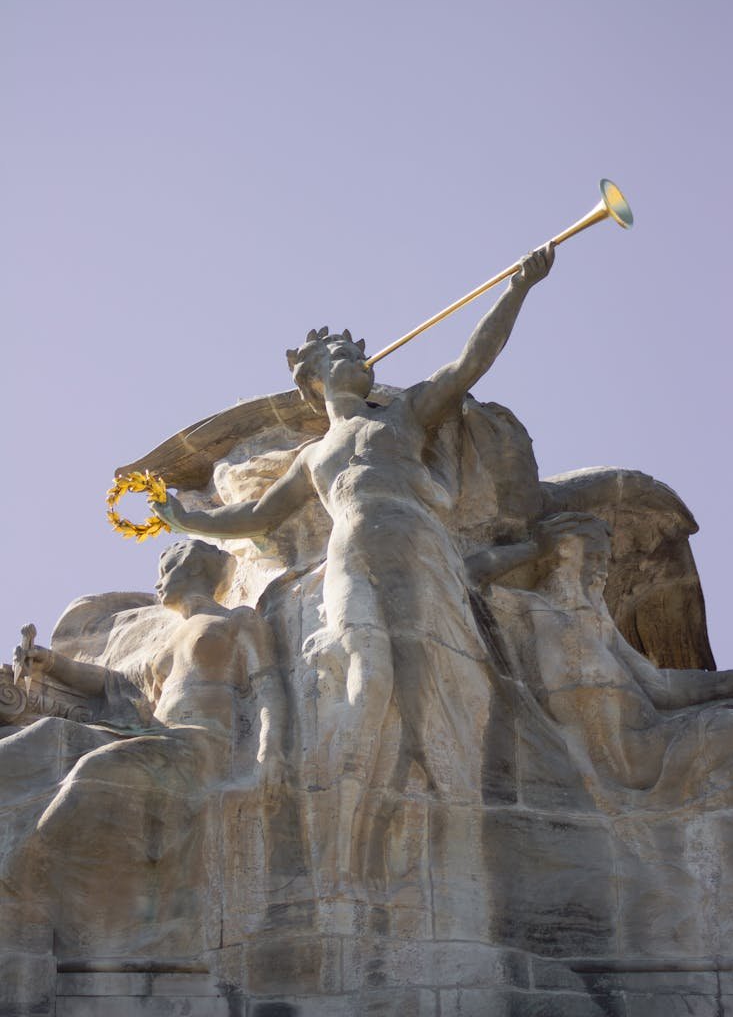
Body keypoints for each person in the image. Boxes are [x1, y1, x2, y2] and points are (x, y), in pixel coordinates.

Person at [152, 244, 555, 877]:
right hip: (351, 557)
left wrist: (518, 289)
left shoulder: (403, 416)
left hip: (418, 550)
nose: (358, 360)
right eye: (340, 355)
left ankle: (450, 820)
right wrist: (187, 520)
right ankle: (343, 830)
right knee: (363, 678)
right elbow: (255, 518)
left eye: (358, 353)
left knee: (432, 687)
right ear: (315, 381)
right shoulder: (314, 456)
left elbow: (469, 362)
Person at [2, 539, 286, 956]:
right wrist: (51, 663)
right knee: (50, 737)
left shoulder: (237, 621)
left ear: (194, 572)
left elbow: (268, 687)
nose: (157, 581)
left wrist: (270, 752)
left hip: (200, 744)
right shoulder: (171, 639)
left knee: (94, 770)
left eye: (166, 569)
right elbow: (115, 684)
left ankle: (21, 879)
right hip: (157, 736)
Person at [469, 512, 733, 793]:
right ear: (561, 555)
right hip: (627, 762)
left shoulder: (600, 627)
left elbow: (661, 686)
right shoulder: (526, 609)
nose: (603, 571)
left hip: (655, 739)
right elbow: (466, 578)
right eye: (595, 557)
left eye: (606, 560)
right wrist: (534, 548)